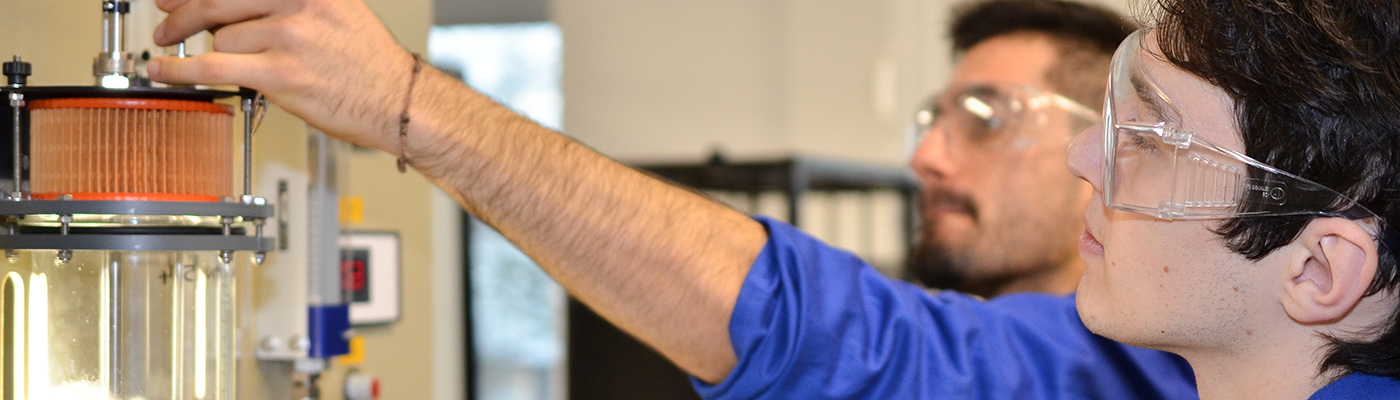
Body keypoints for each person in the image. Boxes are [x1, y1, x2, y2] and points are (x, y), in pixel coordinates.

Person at [147, 0, 1400, 398]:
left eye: (1146, 140)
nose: (1090, 167)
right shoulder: (1115, 360)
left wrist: (414, 107)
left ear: (1317, 271)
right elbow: (845, 338)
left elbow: (832, 336)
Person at [907, 0, 1132, 297]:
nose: (924, 158)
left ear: (1101, 153)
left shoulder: (1139, 340)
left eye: (987, 121)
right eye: (933, 122)